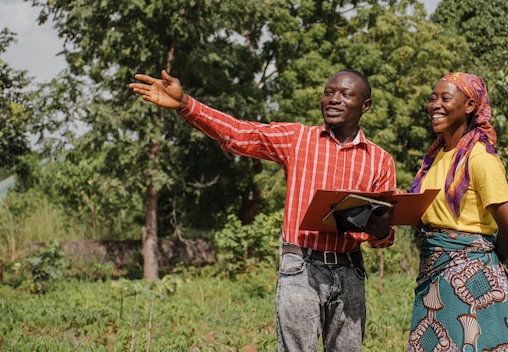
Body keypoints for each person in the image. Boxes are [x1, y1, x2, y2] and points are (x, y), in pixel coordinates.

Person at [129, 69, 397, 351]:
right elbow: (239, 133)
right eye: (329, 92)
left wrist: (379, 228)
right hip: (302, 267)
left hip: (349, 269)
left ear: (364, 105)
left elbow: (383, 235)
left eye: (345, 94)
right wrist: (186, 103)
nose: (333, 99)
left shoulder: (380, 160)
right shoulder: (298, 139)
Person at [407, 72, 508, 351]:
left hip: (472, 279)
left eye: (445, 98)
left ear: (469, 106)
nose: (435, 105)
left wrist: (476, 261)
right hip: (434, 277)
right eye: (432, 99)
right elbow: (424, 216)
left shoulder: (480, 158)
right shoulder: (434, 158)